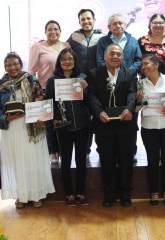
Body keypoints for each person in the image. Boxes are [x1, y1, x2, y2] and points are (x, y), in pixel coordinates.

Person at [0, 52, 55, 208]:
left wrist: (41, 113)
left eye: (16, 64)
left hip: (31, 127)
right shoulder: (0, 84)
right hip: (11, 128)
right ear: (5, 67)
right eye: (9, 65)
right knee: (17, 161)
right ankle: (21, 195)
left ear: (21, 65)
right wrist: (4, 118)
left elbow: (41, 98)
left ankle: (35, 195)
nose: (13, 67)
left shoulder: (31, 79)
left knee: (32, 160)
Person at [88, 44, 137, 207]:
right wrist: (98, 112)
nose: (115, 56)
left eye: (118, 54)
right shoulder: (95, 74)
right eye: (112, 54)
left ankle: (125, 193)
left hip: (126, 124)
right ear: (104, 56)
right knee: (107, 160)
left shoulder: (129, 73)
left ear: (122, 57)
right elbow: (92, 96)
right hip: (103, 124)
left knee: (126, 161)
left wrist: (130, 109)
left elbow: (132, 94)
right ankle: (109, 194)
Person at [45, 48, 91, 207]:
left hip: (82, 125)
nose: (67, 62)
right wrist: (53, 120)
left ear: (75, 62)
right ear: (59, 62)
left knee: (81, 161)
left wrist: (85, 90)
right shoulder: (52, 81)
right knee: (65, 161)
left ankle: (80, 193)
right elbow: (49, 104)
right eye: (63, 59)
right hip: (63, 127)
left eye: (70, 59)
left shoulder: (82, 78)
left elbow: (88, 101)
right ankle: (69, 194)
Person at [136, 54, 165, 206]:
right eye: (142, 65)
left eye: (146, 64)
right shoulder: (140, 84)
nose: (143, 67)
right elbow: (137, 108)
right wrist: (138, 100)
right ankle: (154, 192)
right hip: (149, 127)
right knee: (152, 160)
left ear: (156, 65)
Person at [96, 13, 142, 161]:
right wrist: (113, 72)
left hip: (128, 82)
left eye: (121, 23)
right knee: (109, 116)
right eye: (114, 23)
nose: (118, 26)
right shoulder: (103, 41)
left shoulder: (133, 40)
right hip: (107, 83)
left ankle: (131, 151)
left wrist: (126, 73)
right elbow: (100, 61)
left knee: (129, 116)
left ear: (125, 25)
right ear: (109, 27)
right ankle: (106, 151)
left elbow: (138, 60)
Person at [28, 20, 70, 164]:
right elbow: (31, 72)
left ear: (60, 31)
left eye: (56, 29)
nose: (53, 32)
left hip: (64, 89)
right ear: (45, 32)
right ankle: (52, 152)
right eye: (50, 29)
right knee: (48, 123)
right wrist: (36, 89)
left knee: (62, 120)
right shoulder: (38, 47)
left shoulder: (66, 46)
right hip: (45, 89)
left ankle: (62, 150)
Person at [67, 9, 105, 159]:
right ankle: (85, 150)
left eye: (89, 19)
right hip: (80, 82)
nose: (86, 22)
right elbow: (62, 49)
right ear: (79, 22)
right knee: (83, 117)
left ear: (94, 20)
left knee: (99, 115)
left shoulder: (102, 37)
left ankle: (102, 149)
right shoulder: (74, 37)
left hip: (98, 82)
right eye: (83, 19)